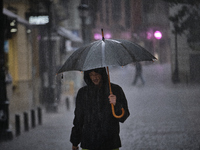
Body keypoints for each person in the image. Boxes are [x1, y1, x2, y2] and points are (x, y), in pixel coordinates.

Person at [70, 67, 130, 150]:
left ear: (102, 74)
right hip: (89, 144)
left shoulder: (115, 90)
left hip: (110, 143)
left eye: (97, 74)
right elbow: (78, 119)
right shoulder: (83, 93)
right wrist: (75, 141)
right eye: (91, 75)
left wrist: (116, 104)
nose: (94, 77)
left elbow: (123, 117)